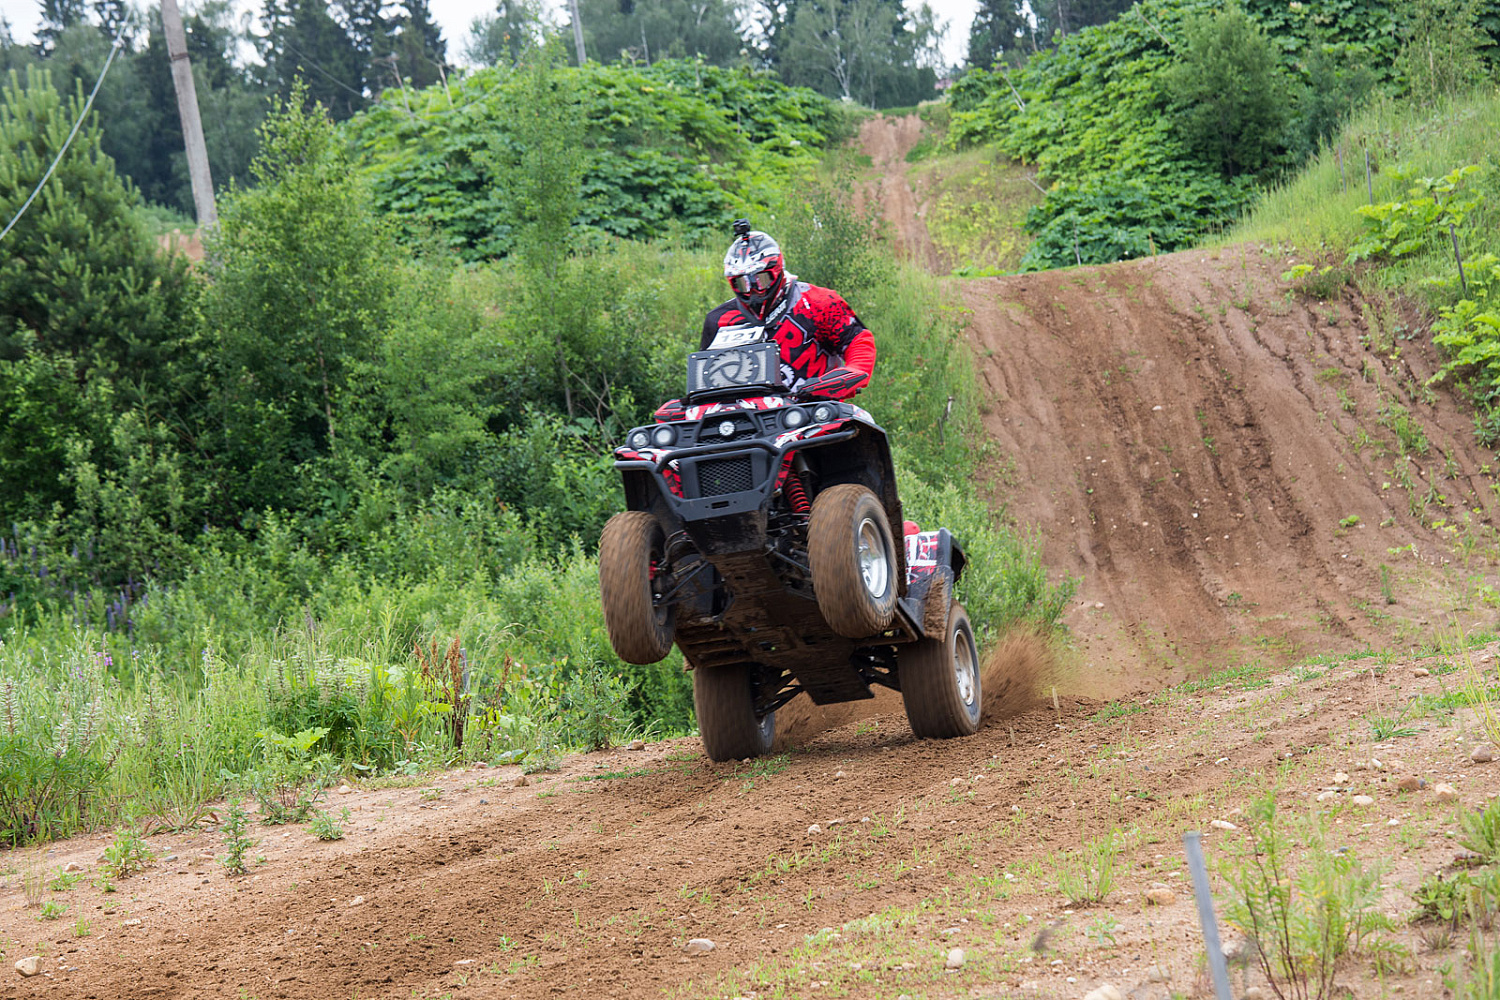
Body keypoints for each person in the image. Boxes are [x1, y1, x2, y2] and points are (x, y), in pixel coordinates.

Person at [701, 220, 875, 401]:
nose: (753, 289)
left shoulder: (820, 302)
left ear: (777, 270)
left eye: (761, 279)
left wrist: (853, 371)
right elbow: (706, 376)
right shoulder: (719, 320)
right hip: (747, 416)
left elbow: (858, 340)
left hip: (815, 410)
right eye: (742, 283)